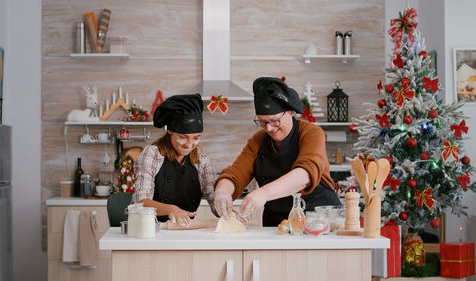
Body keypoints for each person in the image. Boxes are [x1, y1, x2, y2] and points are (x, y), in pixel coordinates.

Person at [214, 77, 341, 226]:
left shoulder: (312, 133)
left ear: (291, 112)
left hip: (317, 221)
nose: (269, 128)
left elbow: (305, 174)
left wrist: (264, 193)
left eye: (274, 120)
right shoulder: (258, 140)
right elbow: (235, 173)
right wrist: (222, 192)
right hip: (275, 225)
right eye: (262, 121)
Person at [132, 93, 217, 226]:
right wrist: (172, 209)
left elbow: (214, 198)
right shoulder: (152, 154)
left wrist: (228, 211)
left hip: (185, 232)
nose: (189, 145)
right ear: (170, 131)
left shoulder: (202, 160)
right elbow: (141, 201)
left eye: (196, 138)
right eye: (183, 137)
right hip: (150, 230)